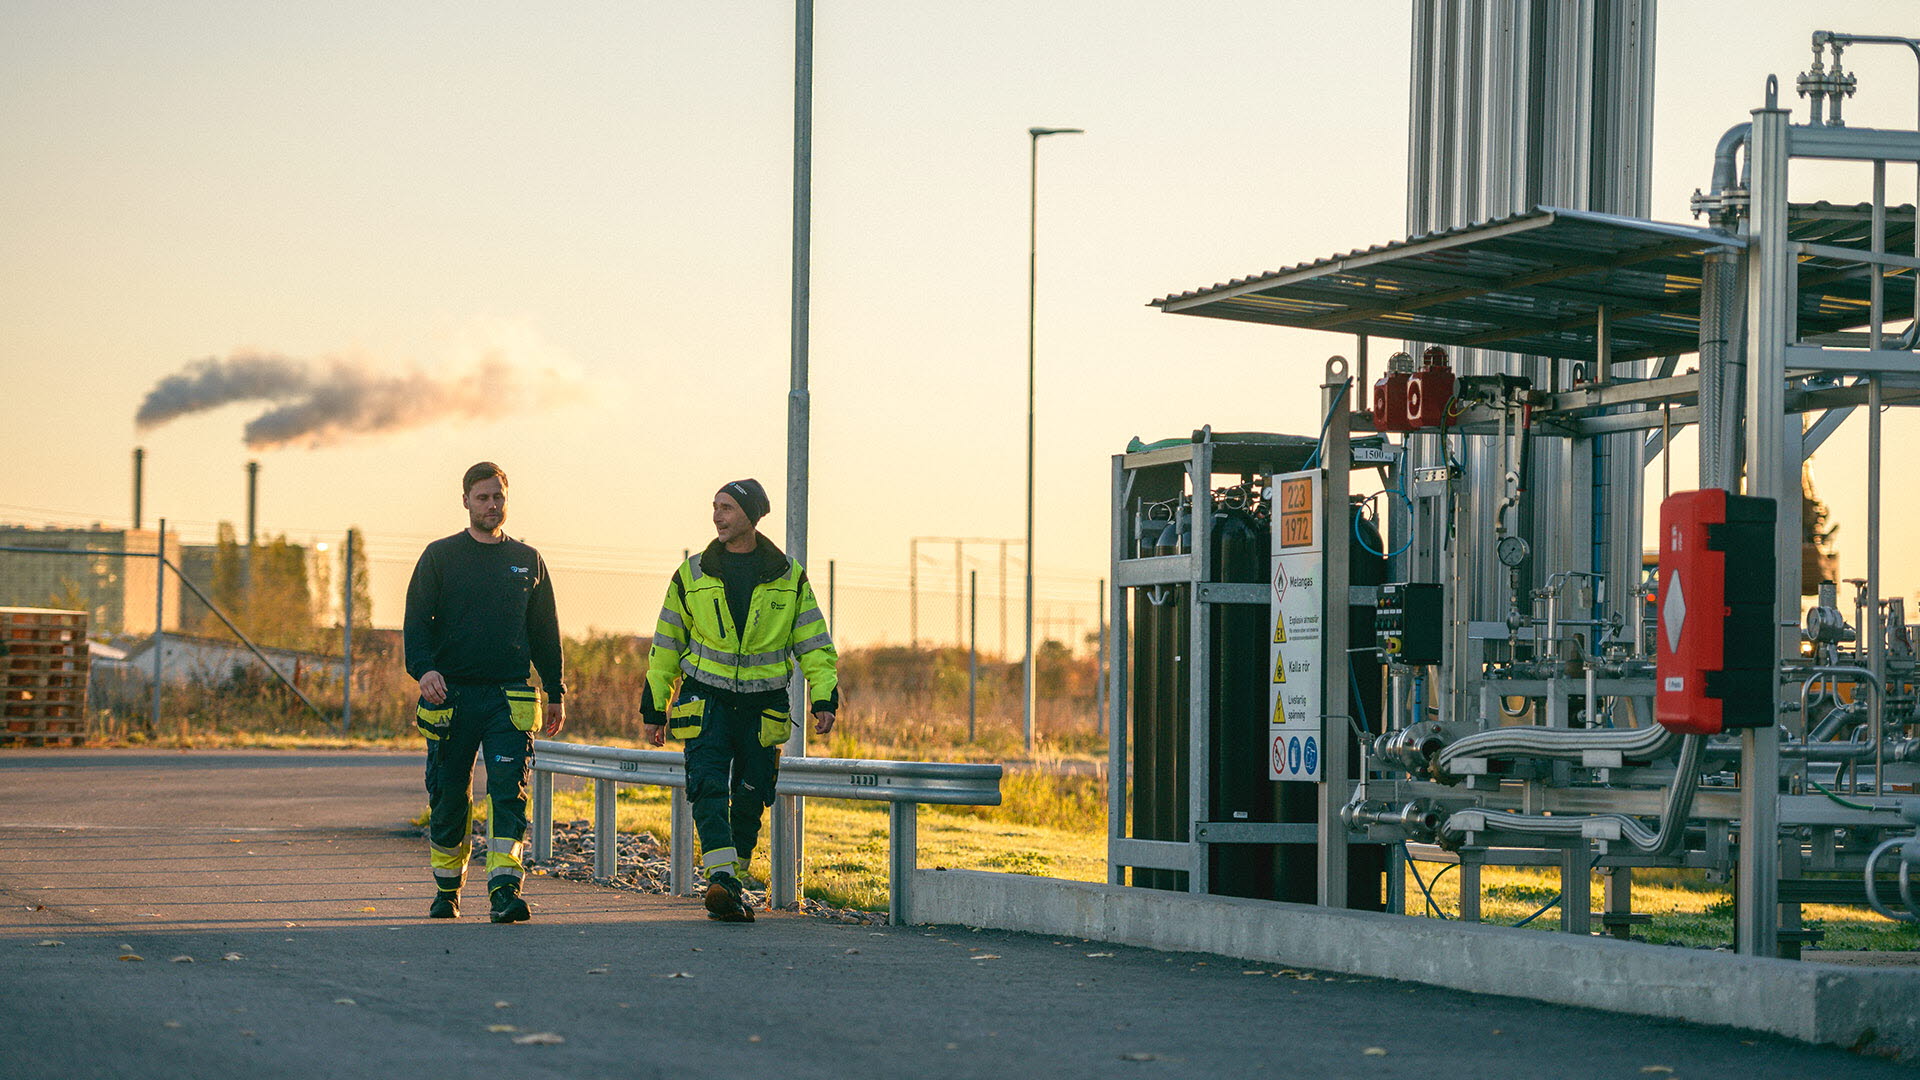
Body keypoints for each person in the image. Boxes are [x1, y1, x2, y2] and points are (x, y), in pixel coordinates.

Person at [641, 478, 839, 923]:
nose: (717, 517)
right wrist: (656, 706)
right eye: (714, 507)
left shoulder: (789, 577)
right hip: (704, 700)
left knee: (751, 797)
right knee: (707, 788)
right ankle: (723, 879)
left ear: (751, 515)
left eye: (726, 508)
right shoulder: (691, 574)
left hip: (762, 705)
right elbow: (666, 643)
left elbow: (813, 642)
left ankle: (728, 882)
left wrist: (823, 694)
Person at [404, 461, 566, 923]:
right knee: (449, 794)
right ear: (465, 502)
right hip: (449, 698)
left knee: (507, 794)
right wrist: (425, 671)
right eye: (482, 497)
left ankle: (503, 888)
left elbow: (545, 632)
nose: (492, 505)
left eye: (498, 496)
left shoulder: (527, 560)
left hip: (509, 700)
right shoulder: (440, 557)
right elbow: (416, 625)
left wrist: (555, 690)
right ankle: (447, 889)